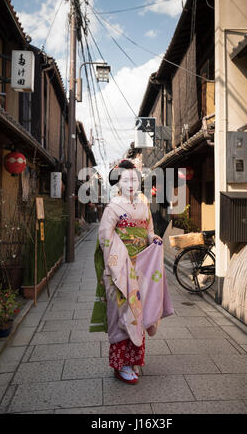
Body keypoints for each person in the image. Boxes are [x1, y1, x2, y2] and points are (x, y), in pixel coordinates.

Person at [90, 160, 174, 384]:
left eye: (134, 180)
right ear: (118, 182)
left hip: (140, 267)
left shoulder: (143, 205)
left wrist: (152, 239)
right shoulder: (112, 208)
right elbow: (105, 237)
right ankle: (121, 365)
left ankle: (133, 360)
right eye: (126, 180)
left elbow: (149, 230)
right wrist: (116, 264)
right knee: (121, 314)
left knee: (139, 312)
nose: (130, 184)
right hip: (120, 268)